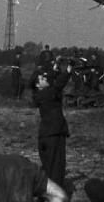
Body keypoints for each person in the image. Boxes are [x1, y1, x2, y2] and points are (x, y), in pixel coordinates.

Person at [31, 60, 72, 188]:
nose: (45, 78)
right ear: (38, 85)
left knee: (49, 165)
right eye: (42, 78)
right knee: (56, 165)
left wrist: (54, 69)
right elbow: (58, 85)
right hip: (53, 133)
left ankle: (47, 189)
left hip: (48, 133)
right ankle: (54, 192)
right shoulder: (47, 92)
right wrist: (68, 70)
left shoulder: (40, 94)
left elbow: (52, 80)